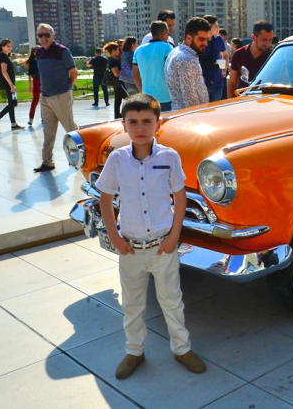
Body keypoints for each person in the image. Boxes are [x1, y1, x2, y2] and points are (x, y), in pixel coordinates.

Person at [95, 93, 206, 379]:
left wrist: (174, 238)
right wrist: (115, 237)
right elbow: (105, 200)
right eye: (133, 122)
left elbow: (180, 199)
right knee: (132, 304)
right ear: (124, 125)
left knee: (172, 301)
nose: (140, 127)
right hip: (130, 248)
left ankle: (182, 349)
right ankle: (134, 351)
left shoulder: (169, 157)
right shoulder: (118, 159)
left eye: (147, 121)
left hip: (162, 247)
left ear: (159, 123)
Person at [34, 24, 78, 172]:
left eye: (47, 35)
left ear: (53, 36)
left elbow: (74, 72)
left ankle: (84, 156)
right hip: (45, 98)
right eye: (40, 35)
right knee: (48, 131)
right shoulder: (39, 53)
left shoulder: (62, 51)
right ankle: (47, 162)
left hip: (61, 96)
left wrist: (66, 88)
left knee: (71, 129)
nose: (43, 38)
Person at [165, 17, 210, 110]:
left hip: (180, 113)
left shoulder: (176, 51)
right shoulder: (187, 59)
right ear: (189, 38)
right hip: (190, 118)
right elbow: (190, 97)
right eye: (201, 39)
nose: (205, 43)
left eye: (207, 39)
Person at [133, 21, 173, 112]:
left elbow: (135, 76)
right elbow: (172, 72)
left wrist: (142, 91)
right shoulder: (168, 48)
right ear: (163, 34)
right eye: (167, 33)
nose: (168, 36)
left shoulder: (138, 50)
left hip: (147, 97)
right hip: (165, 97)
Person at [227, 21, 274, 98]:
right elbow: (232, 83)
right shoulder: (239, 54)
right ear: (253, 37)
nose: (267, 44)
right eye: (264, 40)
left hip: (265, 100)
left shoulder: (273, 57)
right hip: (243, 100)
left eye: (270, 40)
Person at [0, 39, 24, 130]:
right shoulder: (2, 56)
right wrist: (11, 85)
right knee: (13, 103)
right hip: (8, 84)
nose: (10, 48)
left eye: (10, 46)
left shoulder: (4, 56)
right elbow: (4, 71)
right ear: (2, 46)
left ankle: (13, 124)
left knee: (12, 103)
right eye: (8, 46)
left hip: (10, 83)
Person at [199, 15, 229, 102]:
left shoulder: (219, 39)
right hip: (204, 82)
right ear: (209, 27)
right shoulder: (200, 41)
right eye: (216, 26)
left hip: (218, 82)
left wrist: (224, 67)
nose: (218, 28)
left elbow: (225, 54)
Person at [104, 42, 125, 119]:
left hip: (117, 83)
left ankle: (117, 116)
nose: (119, 52)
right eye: (117, 50)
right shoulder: (113, 61)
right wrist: (124, 70)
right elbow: (116, 73)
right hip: (118, 83)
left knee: (118, 100)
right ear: (113, 51)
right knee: (128, 99)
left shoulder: (112, 60)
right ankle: (122, 114)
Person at [26, 46, 41, 126]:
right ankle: (31, 118)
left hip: (44, 81)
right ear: (34, 52)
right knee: (35, 100)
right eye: (37, 51)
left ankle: (44, 118)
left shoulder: (43, 60)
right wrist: (30, 86)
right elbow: (30, 75)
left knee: (45, 101)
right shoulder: (32, 62)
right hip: (36, 81)